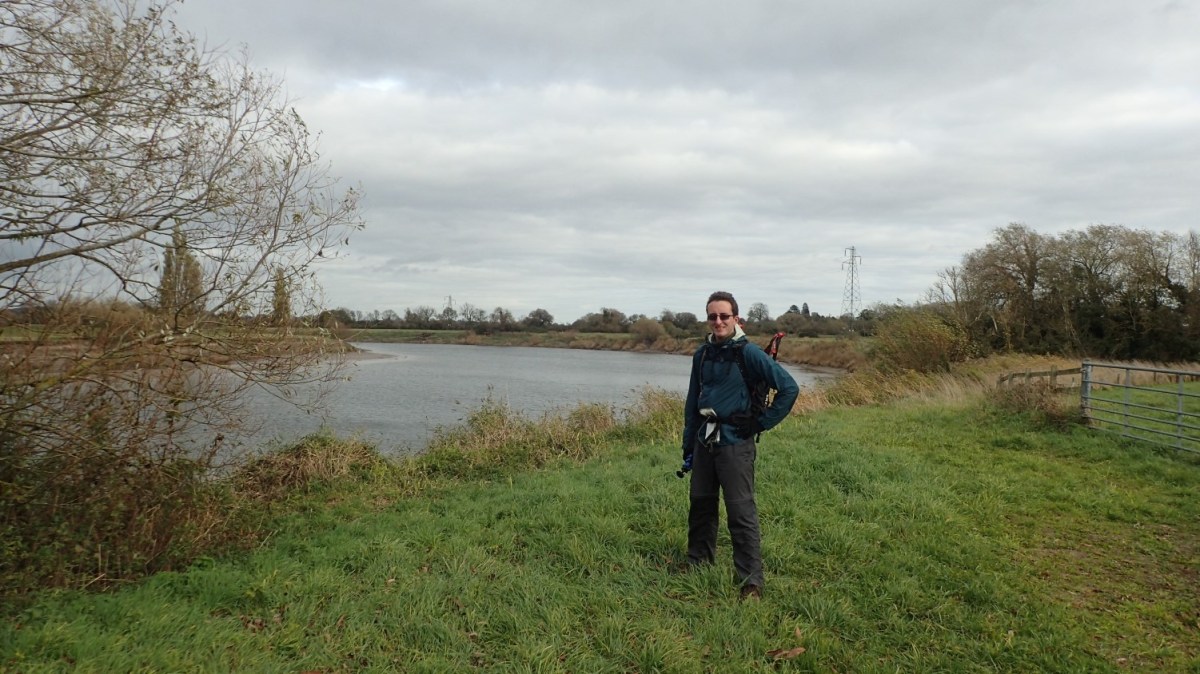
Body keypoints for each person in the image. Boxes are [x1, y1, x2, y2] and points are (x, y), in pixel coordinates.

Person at [680, 290, 799, 599]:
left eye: (724, 316)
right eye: (712, 316)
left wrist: (760, 423)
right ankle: (698, 563)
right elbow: (693, 400)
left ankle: (751, 581)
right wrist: (688, 443)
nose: (718, 321)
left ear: (736, 318)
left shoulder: (749, 353)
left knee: (740, 512)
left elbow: (789, 388)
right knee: (701, 505)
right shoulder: (702, 354)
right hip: (705, 439)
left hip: (736, 442)